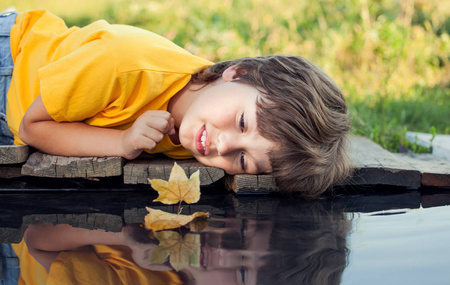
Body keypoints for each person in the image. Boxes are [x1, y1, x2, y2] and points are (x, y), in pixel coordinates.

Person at [0, 9, 352, 198]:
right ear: (237, 72)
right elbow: (34, 127)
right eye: (243, 123)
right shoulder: (123, 65)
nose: (225, 145)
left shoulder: (202, 129)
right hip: (13, 68)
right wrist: (121, 143)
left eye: (244, 160)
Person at [14, 201, 349, 285]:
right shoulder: (187, 218)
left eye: (242, 272)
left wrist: (129, 239)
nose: (223, 253)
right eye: (241, 236)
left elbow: (38, 240)